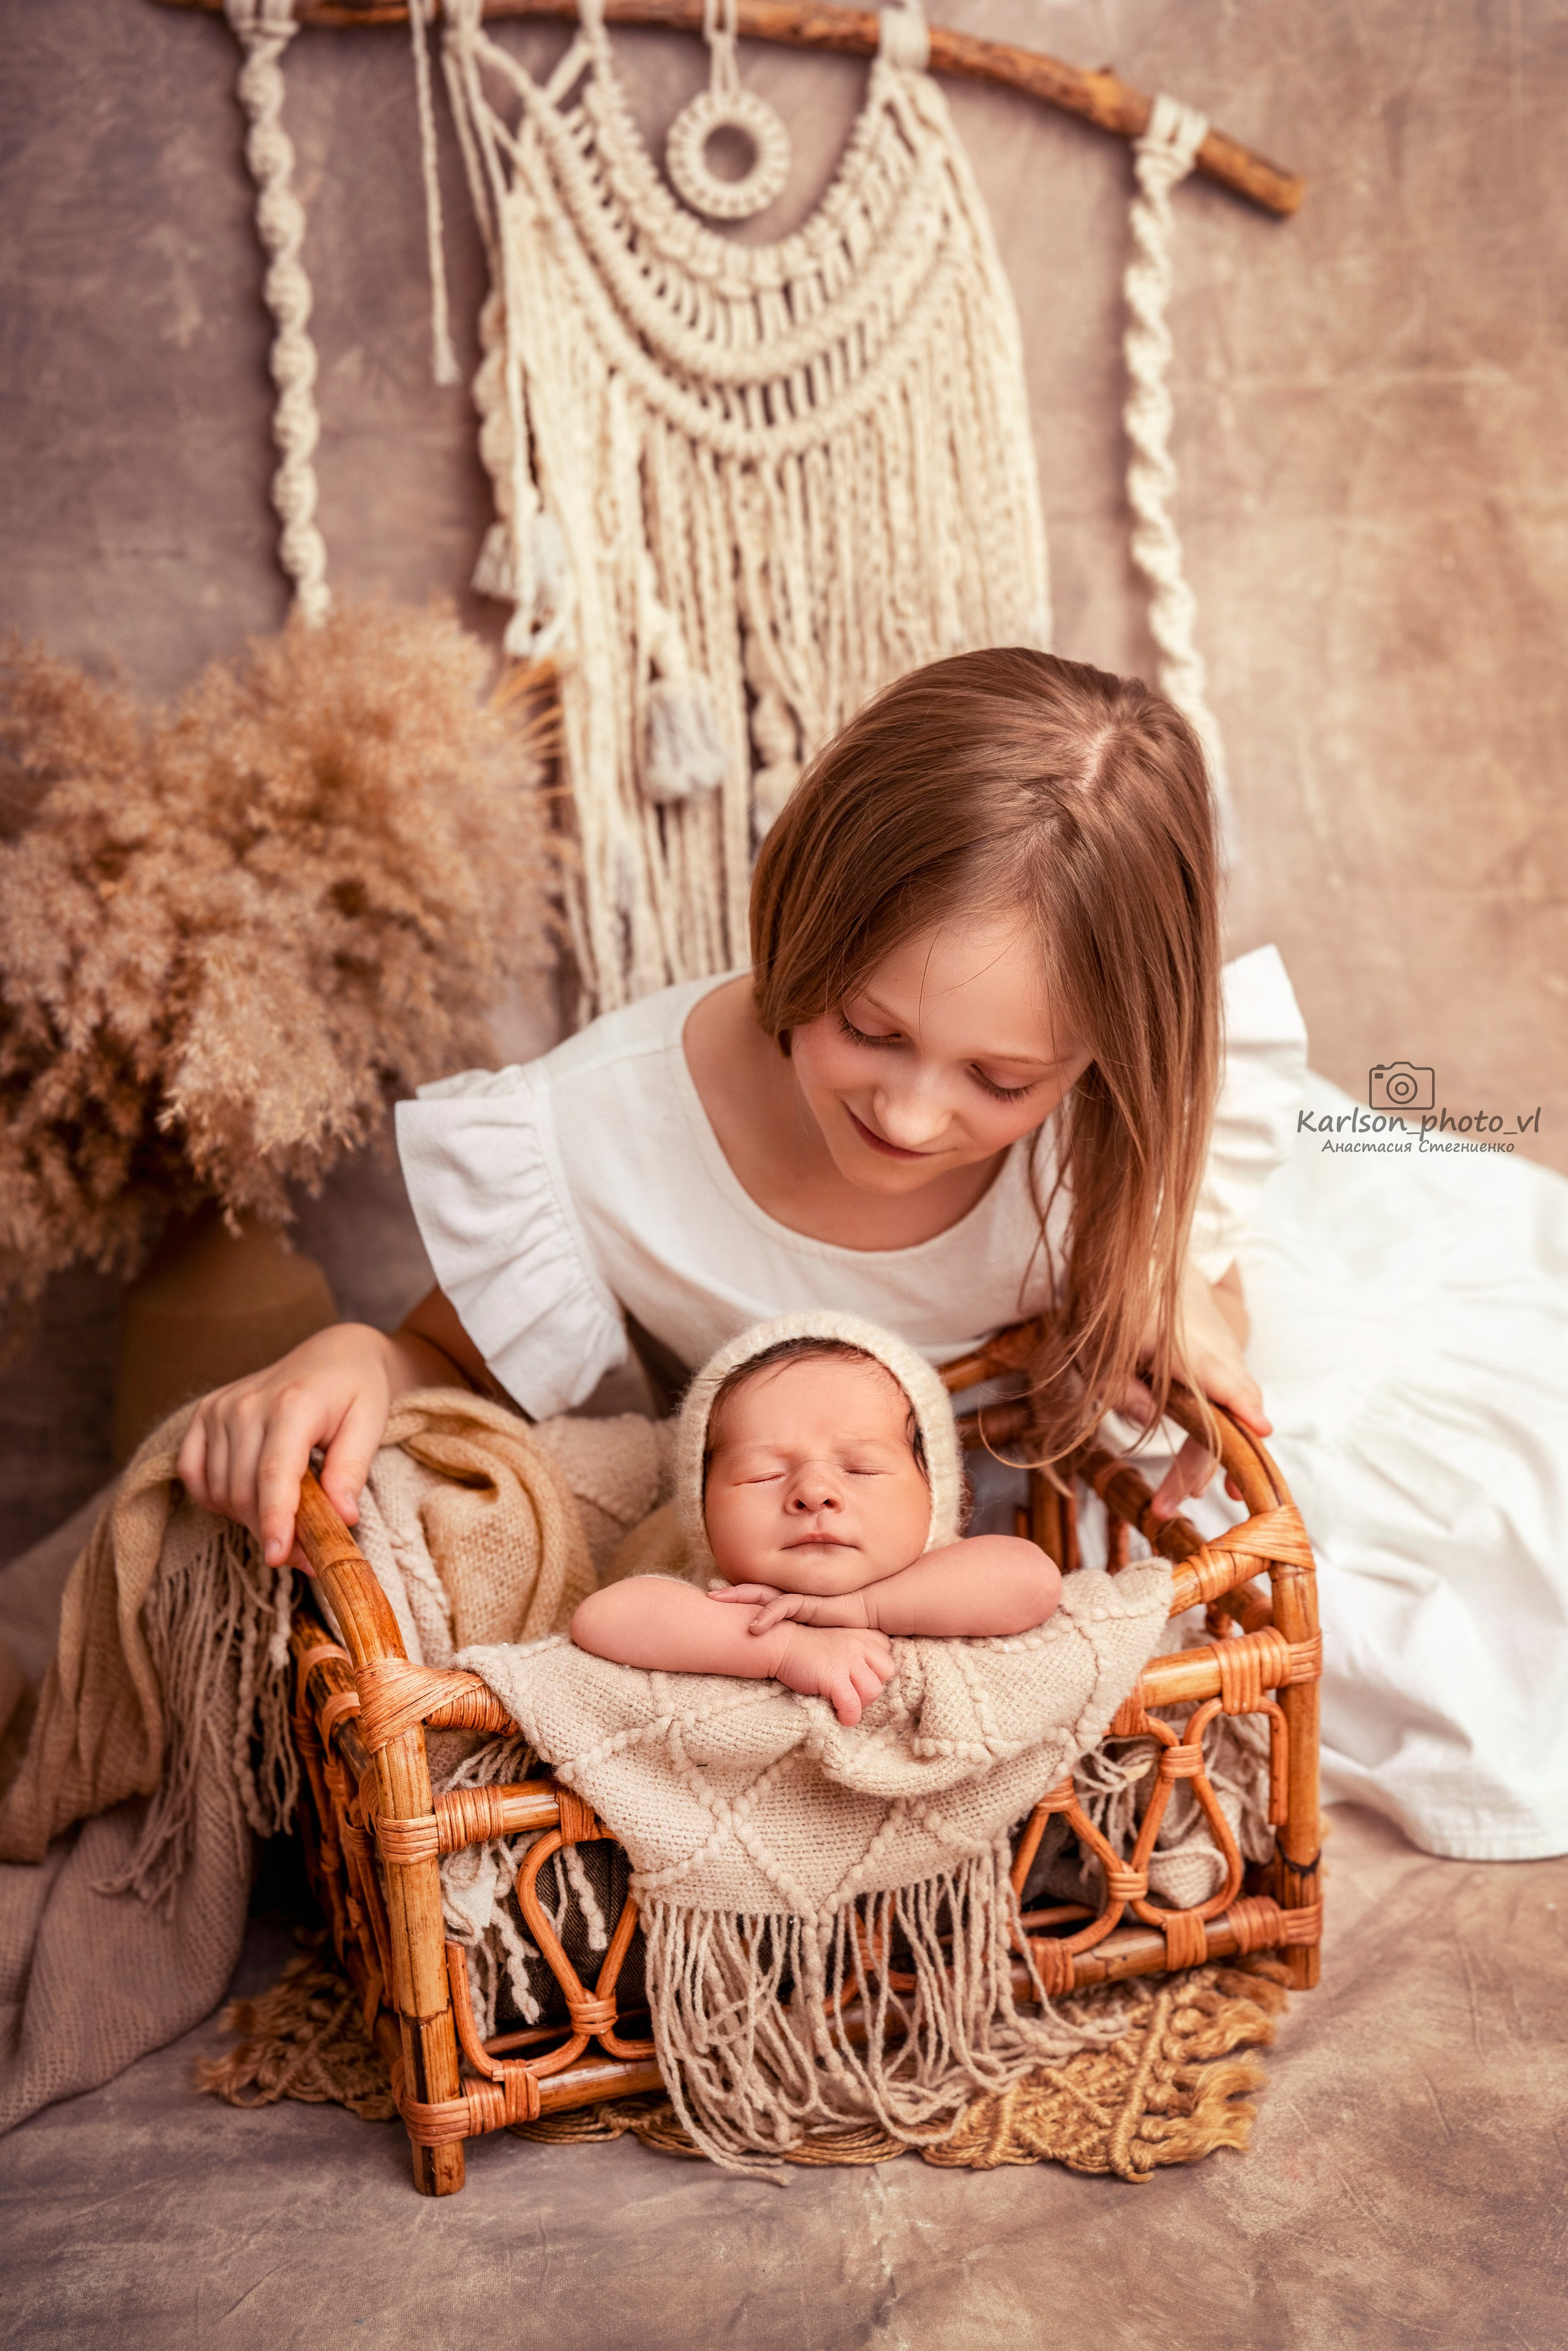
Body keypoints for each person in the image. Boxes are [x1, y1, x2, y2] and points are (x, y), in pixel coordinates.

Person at [178, 649, 1306, 1577]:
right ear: (802, 919)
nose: (911, 1119)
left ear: (1104, 1057)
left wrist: (1180, 1294)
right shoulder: (605, 1128)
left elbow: (1199, 1283)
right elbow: (445, 1359)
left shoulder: (1125, 1103)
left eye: (1002, 1083)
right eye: (870, 1031)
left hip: (1023, 1548)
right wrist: (362, 1359)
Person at [570, 1317, 1063, 1726]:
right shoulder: (716, 1596)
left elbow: (1034, 1582)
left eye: (860, 1469)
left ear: (935, 1493)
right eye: (764, 1474)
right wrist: (785, 1647)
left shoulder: (943, 1572)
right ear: (701, 1509)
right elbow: (602, 1618)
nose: (814, 1493)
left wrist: (860, 1608)